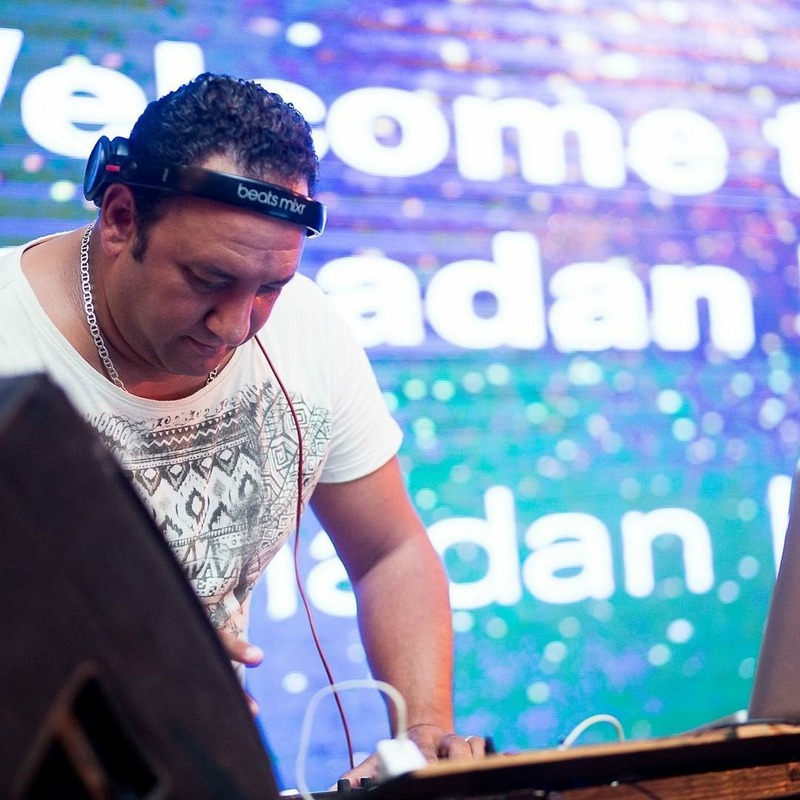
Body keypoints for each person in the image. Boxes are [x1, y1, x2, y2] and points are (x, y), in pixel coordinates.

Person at [0, 72, 487, 783]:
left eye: (269, 289)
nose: (235, 326)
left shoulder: (307, 326)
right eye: (207, 280)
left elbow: (391, 551)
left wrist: (421, 733)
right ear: (121, 217)